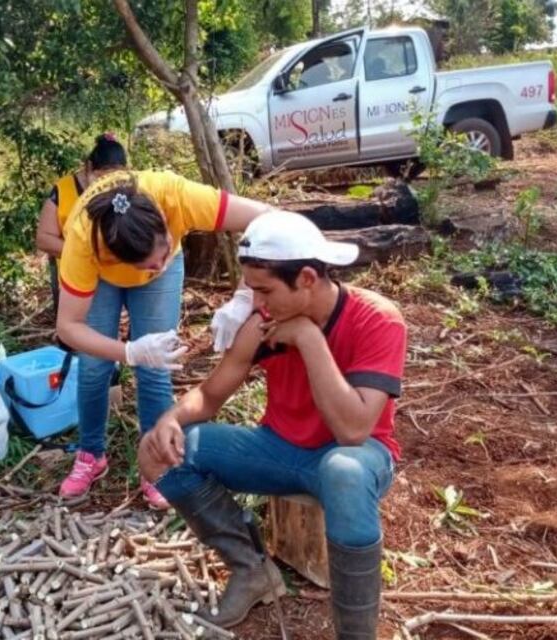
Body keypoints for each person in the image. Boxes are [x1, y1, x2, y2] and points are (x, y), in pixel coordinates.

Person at [138, 211, 407, 637]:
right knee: (162, 451)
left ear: (305, 278)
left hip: (357, 457)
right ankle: (252, 570)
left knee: (344, 471)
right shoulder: (263, 325)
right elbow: (209, 395)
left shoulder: (377, 319)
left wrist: (308, 338)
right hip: (279, 450)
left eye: (265, 291)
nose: (257, 304)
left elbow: (353, 431)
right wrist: (169, 417)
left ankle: (357, 633)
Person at [55, 169, 271, 509]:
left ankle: (155, 461)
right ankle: (91, 453)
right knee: (95, 367)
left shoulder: (176, 196)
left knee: (157, 367)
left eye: (162, 254)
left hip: (156, 257)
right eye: (149, 266)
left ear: (164, 223)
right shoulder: (84, 238)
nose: (154, 267)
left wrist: (244, 296)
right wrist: (128, 351)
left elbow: (268, 219)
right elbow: (68, 327)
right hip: (102, 276)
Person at [36, 133, 128, 312]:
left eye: (116, 178)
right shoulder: (62, 190)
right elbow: (44, 239)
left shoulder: (130, 185)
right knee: (92, 332)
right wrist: (85, 253)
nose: (109, 184)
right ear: (89, 167)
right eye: (103, 178)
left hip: (124, 271)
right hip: (81, 275)